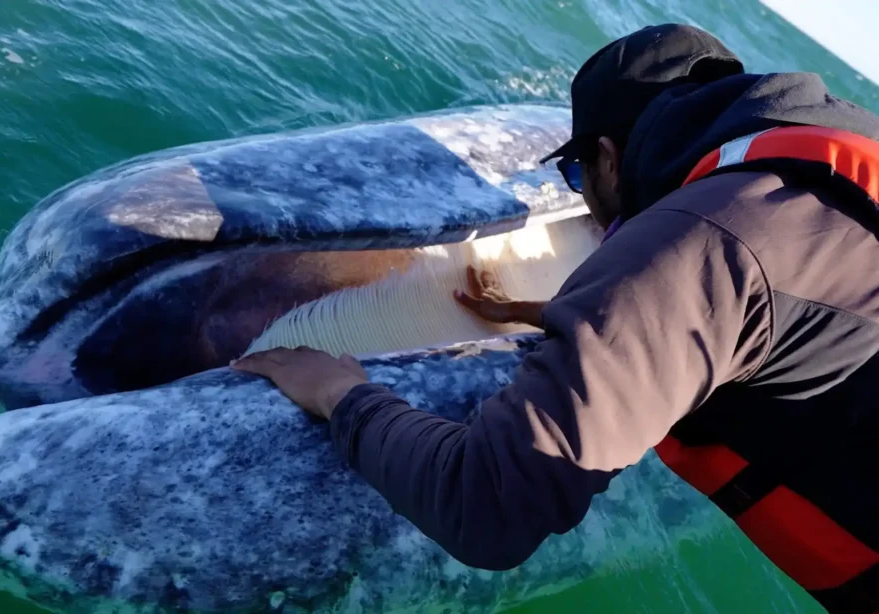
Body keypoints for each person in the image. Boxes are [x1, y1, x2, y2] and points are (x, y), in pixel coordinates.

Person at [232, 23, 878, 613]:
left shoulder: (705, 242)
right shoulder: (822, 172)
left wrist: (338, 393)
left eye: (576, 173)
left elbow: (484, 508)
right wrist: (562, 314)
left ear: (608, 157)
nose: (583, 196)